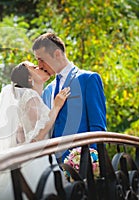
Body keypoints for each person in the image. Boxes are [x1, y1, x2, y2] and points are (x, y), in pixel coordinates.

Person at [0, 61, 70, 200]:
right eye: (34, 67)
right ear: (29, 78)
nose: (38, 67)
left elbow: (23, 131)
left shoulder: (27, 96)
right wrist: (56, 107)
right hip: (35, 158)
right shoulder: (30, 96)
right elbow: (39, 133)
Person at [32, 32, 107, 162]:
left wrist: (94, 162)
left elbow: (98, 126)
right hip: (55, 167)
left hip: (84, 165)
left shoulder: (88, 79)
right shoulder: (48, 90)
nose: (39, 65)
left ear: (56, 54)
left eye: (41, 59)